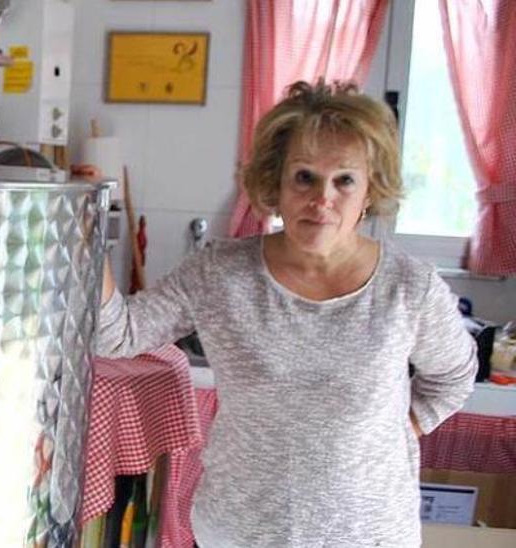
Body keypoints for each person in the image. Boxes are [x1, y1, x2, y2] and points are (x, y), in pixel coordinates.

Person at [95, 80, 478, 547]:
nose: (322, 200)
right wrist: (86, 238)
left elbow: (454, 375)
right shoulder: (220, 274)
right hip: (240, 532)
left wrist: (394, 431)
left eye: (344, 180)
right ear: (275, 180)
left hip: (370, 535)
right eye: (304, 177)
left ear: (369, 190)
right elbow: (118, 336)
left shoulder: (409, 288)